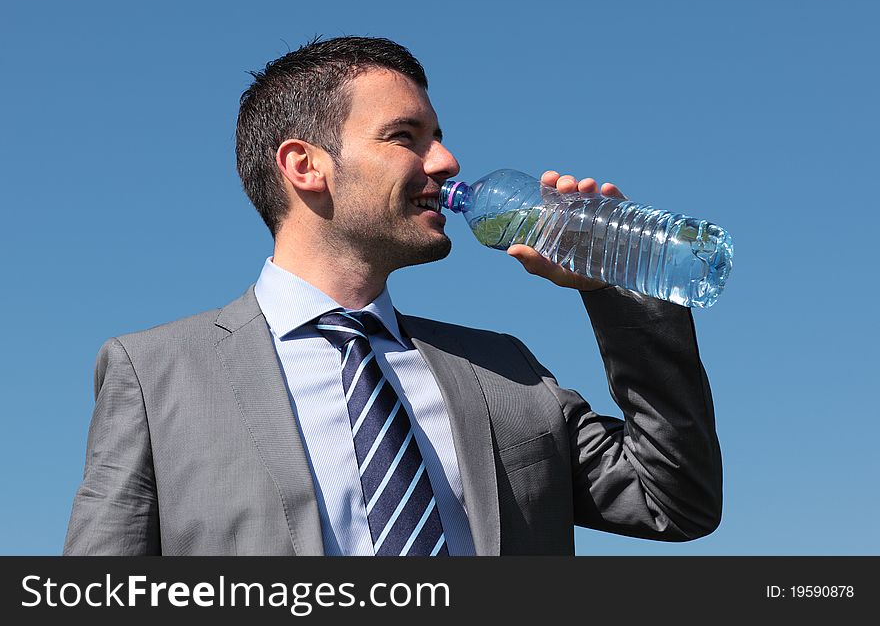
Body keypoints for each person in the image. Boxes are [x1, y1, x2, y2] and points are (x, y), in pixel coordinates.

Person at [63, 36, 722, 556]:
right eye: (407, 137)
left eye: (437, 137)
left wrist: (620, 288)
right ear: (305, 166)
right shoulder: (155, 375)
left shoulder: (507, 372)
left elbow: (677, 500)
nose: (446, 161)